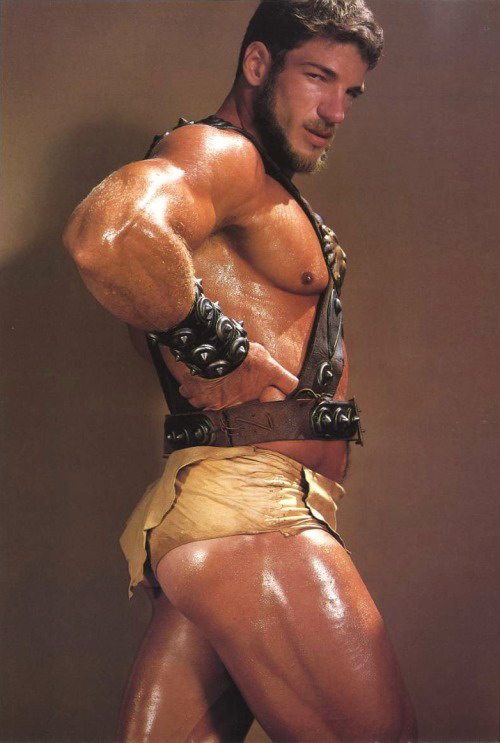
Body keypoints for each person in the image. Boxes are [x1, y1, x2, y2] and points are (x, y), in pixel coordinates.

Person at [64, 1, 417, 740]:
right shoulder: (220, 154)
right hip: (254, 514)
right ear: (258, 64)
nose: (335, 111)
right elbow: (112, 233)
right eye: (317, 77)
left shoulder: (257, 185)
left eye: (350, 91)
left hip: (217, 512)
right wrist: (215, 345)